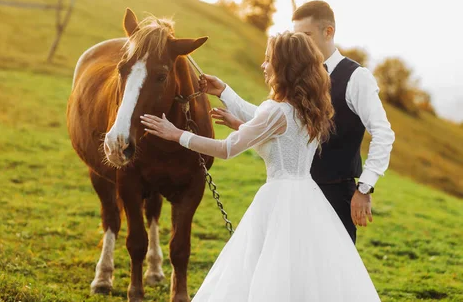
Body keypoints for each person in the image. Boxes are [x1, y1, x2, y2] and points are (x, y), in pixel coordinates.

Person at [141, 31, 381, 301]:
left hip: (277, 201)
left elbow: (227, 148)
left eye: (268, 60)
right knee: (304, 273)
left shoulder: (276, 110)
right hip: (308, 197)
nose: (263, 65)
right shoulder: (310, 108)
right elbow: (283, 141)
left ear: (284, 67)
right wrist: (237, 114)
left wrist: (177, 134)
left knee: (266, 271)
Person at [292, 0, 395, 243]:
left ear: (328, 32)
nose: (300, 44)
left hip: (336, 195)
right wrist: (226, 94)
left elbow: (383, 134)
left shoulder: (357, 77)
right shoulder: (300, 75)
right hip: (297, 191)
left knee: (334, 275)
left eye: (306, 35)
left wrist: (365, 188)